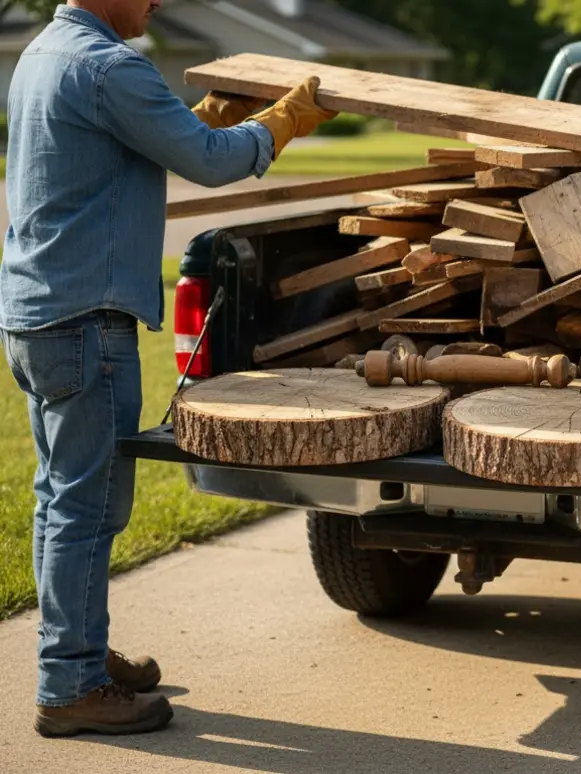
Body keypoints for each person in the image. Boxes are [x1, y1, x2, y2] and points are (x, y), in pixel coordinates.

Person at [0, 0, 337, 738]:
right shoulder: (110, 66)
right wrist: (283, 120)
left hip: (36, 313)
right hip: (87, 320)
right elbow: (212, 164)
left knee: (62, 499)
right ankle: (70, 686)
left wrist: (208, 114)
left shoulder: (46, 52)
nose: (157, 2)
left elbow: (151, 142)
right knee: (87, 510)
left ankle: (77, 654)